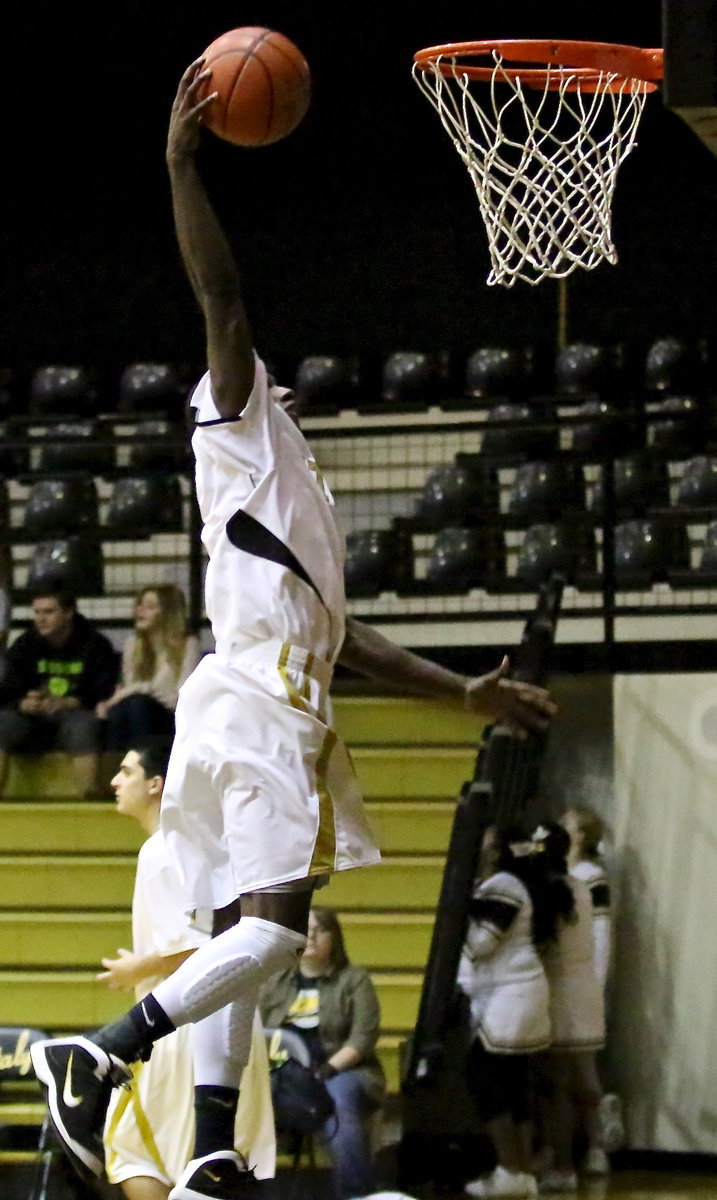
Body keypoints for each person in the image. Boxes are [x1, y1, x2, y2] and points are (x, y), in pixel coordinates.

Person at [31, 58, 556, 1200]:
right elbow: (222, 300)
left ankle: (211, 1146)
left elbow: (351, 643)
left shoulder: (289, 487)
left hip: (253, 693)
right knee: (271, 933)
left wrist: (464, 694)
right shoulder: (236, 424)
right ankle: (100, 1053)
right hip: (260, 701)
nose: (268, 376)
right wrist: (180, 164)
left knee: (234, 929)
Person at [101, 742, 274, 1200]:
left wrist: (142, 965)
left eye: (126, 771)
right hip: (228, 1030)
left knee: (130, 1150)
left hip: (183, 1027)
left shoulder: (164, 850)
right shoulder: (206, 843)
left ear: (156, 784)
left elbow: (208, 944)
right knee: (206, 1167)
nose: (115, 781)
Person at [458, 827, 567, 1200]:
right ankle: (518, 1173)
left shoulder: (503, 885)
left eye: (486, 841)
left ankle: (510, 1169)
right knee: (513, 1083)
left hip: (511, 993)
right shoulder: (506, 883)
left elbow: (482, 945)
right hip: (516, 991)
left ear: (495, 852)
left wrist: (459, 913)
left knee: (483, 1077)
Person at [260, 905, 385, 1200]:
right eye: (306, 930)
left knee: (338, 1103)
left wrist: (326, 1070)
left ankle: (356, 1195)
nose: (312, 937)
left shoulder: (354, 980)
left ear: (335, 938)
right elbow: (255, 1029)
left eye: (321, 930)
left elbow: (362, 1037)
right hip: (284, 1072)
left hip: (342, 1070)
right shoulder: (276, 981)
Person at [531, 823, 605, 1194]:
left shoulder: (549, 890)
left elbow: (542, 946)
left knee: (556, 1086)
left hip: (560, 991)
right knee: (580, 1079)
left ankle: (562, 1165)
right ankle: (589, 1150)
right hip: (585, 988)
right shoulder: (581, 884)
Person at [0, 581, 118, 798]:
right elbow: (9, 688)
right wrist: (23, 702)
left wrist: (71, 702)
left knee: (84, 725)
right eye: (37, 612)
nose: (41, 619)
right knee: (3, 722)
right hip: (31, 719)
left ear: (69, 613)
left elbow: (105, 689)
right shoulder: (25, 644)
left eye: (49, 612)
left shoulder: (95, 644)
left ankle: (89, 796)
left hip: (74, 715)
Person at [561, 805, 622, 1172]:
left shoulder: (590, 876)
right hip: (558, 982)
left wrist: (595, 985)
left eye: (566, 824)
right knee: (557, 1076)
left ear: (581, 835)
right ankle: (563, 1149)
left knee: (583, 1070)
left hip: (582, 986)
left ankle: (597, 1144)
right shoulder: (559, 874)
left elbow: (600, 935)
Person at [99, 585, 201, 751]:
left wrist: (135, 690)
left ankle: (143, 766)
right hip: (136, 713)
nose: (139, 611)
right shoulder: (133, 644)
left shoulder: (188, 645)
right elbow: (130, 691)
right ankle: (122, 768)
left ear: (168, 613)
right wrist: (129, 694)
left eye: (150, 607)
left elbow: (179, 699)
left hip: (171, 717)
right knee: (123, 710)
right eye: (139, 605)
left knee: (137, 704)